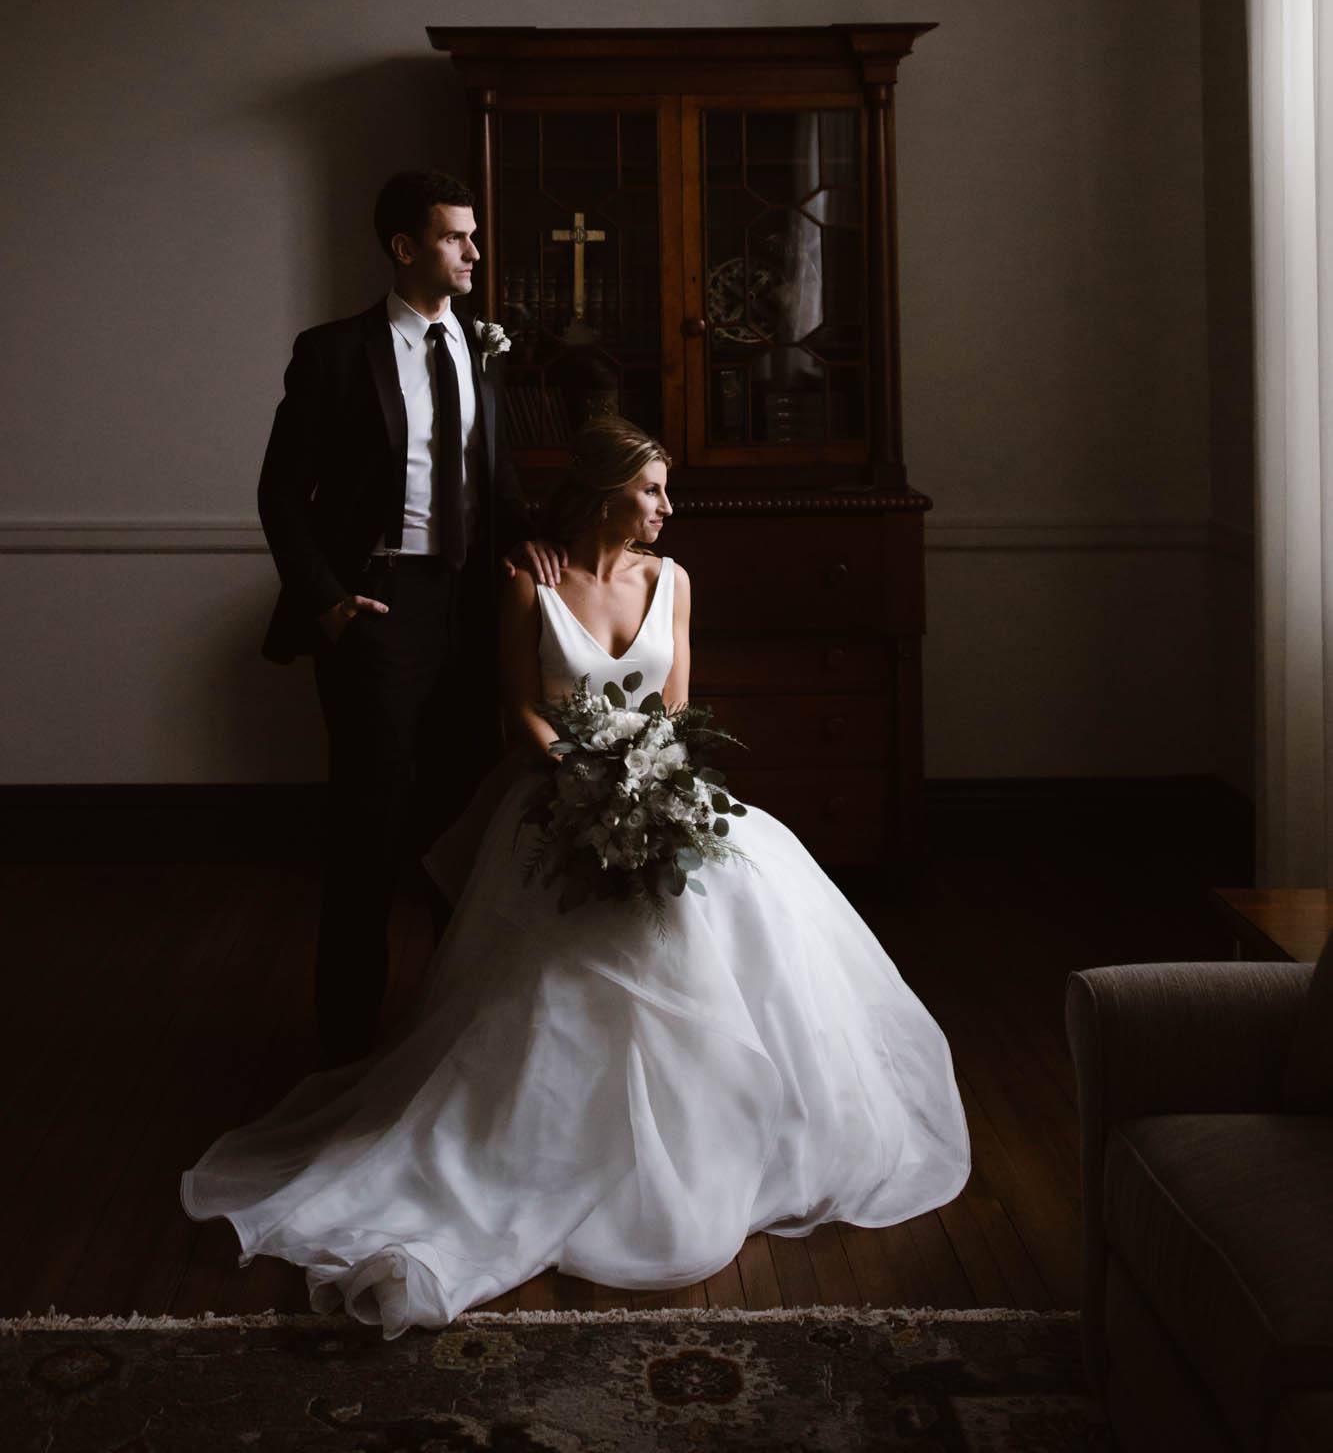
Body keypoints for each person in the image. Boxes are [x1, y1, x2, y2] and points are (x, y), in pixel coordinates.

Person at [183, 415, 972, 1335]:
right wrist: (580, 780)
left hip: (659, 789)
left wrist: (653, 797)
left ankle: (714, 1137)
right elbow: (520, 706)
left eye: (667, 490)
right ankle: (546, 1147)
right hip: (557, 790)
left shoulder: (673, 581)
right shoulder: (529, 579)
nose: (666, 508)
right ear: (604, 494)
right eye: (650, 490)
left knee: (718, 920)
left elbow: (677, 713)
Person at [255, 166, 563, 1066]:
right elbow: (280, 493)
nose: (474, 251)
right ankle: (345, 1052)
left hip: (471, 609)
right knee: (369, 829)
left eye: (472, 235)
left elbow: (491, 477)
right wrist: (330, 604)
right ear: (404, 248)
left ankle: (451, 1041)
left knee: (464, 829)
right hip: (380, 609)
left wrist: (533, 543)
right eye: (454, 237)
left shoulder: (479, 344)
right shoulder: (333, 352)